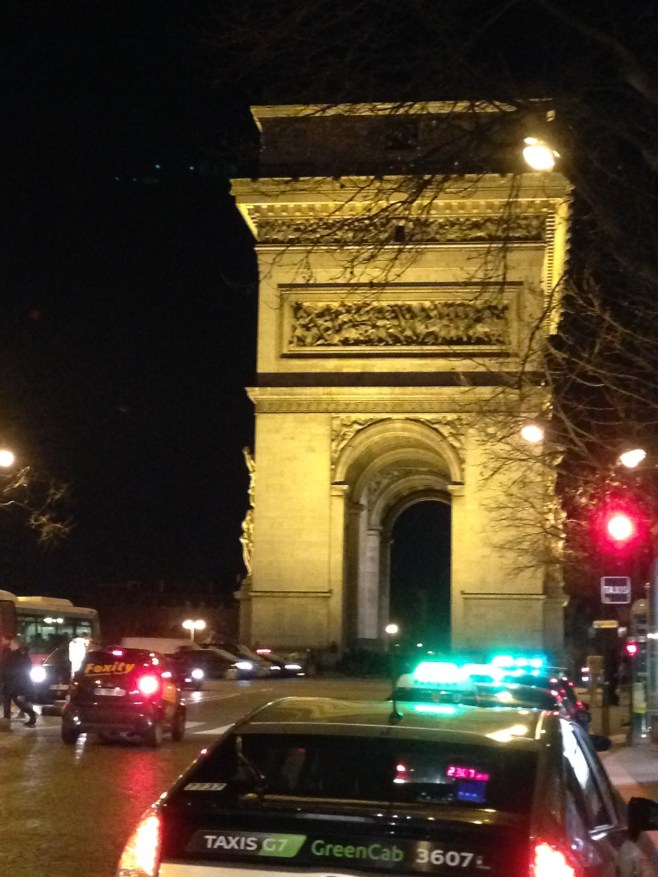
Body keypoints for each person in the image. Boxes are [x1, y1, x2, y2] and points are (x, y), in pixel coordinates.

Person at [1, 638, 38, 726]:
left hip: (15, 682)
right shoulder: (16, 655)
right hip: (12, 682)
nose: (10, 644)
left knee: (17, 701)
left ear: (16, 644)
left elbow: (7, 668)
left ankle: (32, 714)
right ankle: (6, 717)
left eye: (12, 643)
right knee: (7, 699)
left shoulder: (16, 655)